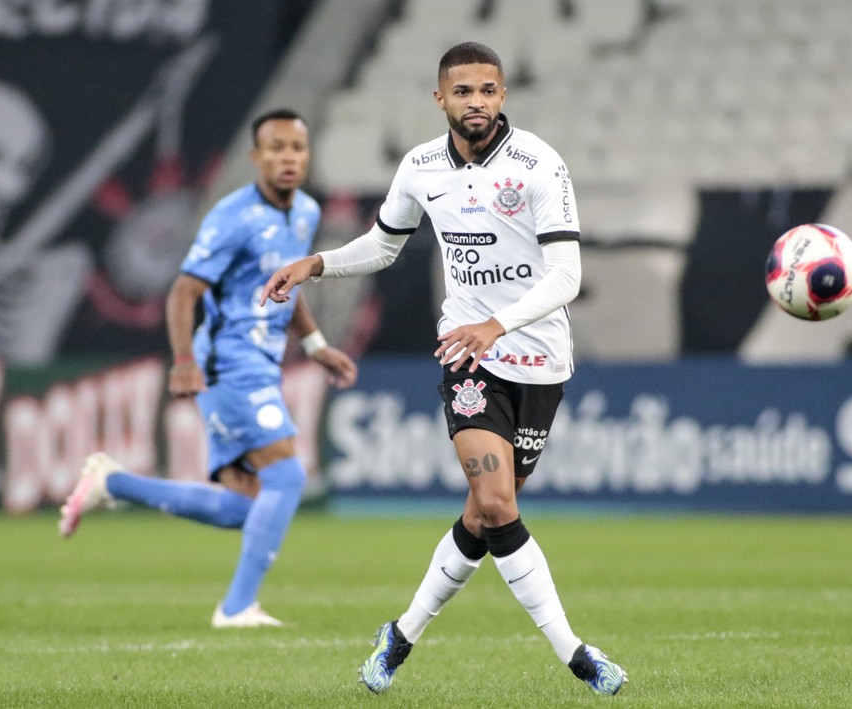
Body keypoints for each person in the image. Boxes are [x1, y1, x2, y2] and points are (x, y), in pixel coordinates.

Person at [260, 43, 627, 695]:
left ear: (503, 95)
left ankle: (398, 635)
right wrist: (315, 264)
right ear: (441, 99)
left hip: (538, 362)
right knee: (495, 500)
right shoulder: (421, 167)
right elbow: (382, 245)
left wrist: (499, 322)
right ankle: (577, 654)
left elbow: (567, 274)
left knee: (485, 520)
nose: (477, 102)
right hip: (468, 358)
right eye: (464, 92)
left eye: (488, 90)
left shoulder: (539, 165)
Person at [58, 108, 358, 628]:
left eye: (297, 148)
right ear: (256, 157)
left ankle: (114, 483)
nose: (288, 157)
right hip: (229, 365)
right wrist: (183, 362)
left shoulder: (306, 212)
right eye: (277, 148)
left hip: (263, 367)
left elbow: (287, 284)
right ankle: (237, 607)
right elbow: (183, 291)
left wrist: (313, 344)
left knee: (246, 508)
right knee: (286, 476)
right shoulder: (232, 217)